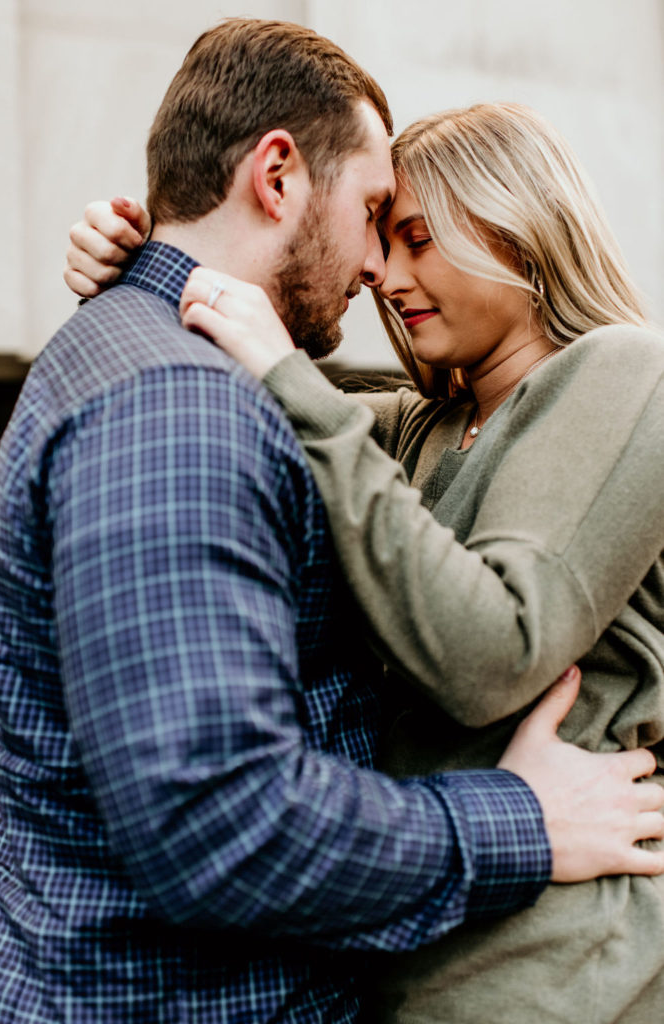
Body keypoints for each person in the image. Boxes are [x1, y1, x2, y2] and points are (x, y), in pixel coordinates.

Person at [47, 41, 662, 1023]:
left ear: (517, 228)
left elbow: (488, 652)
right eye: (379, 232)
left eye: (412, 235)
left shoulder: (626, 374)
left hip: (555, 975)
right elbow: (281, 394)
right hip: (409, 945)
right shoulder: (417, 424)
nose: (380, 271)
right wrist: (140, 269)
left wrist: (286, 374)